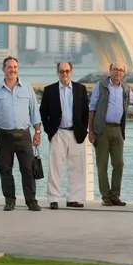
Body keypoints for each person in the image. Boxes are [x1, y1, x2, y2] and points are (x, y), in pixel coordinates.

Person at [0, 56, 42, 212]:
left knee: (28, 169)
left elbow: (34, 112)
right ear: (3, 69)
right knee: (5, 169)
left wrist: (37, 132)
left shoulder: (27, 88)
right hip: (3, 136)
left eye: (15, 67)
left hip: (23, 135)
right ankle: (10, 201)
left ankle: (31, 201)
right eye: (9, 67)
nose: (12, 70)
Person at [39, 61, 90, 210]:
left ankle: (74, 198)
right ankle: (53, 198)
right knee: (55, 167)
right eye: (62, 71)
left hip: (76, 133)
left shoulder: (80, 89)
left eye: (67, 71)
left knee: (77, 167)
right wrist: (50, 131)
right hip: (58, 132)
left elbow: (86, 112)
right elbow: (43, 112)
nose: (65, 74)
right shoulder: (50, 90)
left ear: (71, 72)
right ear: (57, 73)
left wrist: (83, 129)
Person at [88, 61, 133, 207]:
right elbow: (92, 108)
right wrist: (90, 130)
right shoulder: (101, 86)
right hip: (102, 129)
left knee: (119, 163)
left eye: (121, 70)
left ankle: (115, 195)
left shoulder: (126, 89)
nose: (118, 72)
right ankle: (106, 196)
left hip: (118, 129)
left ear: (124, 73)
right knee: (102, 164)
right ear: (110, 70)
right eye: (115, 69)